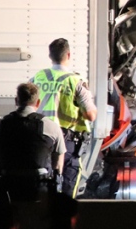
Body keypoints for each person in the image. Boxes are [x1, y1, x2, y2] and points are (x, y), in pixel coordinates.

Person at [32, 38, 97, 197]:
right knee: (67, 184)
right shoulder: (75, 81)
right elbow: (90, 115)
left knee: (42, 184)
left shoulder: (38, 77)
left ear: (50, 56)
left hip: (41, 138)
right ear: (68, 55)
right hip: (66, 140)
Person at [0, 83, 66, 202]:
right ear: (38, 102)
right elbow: (58, 165)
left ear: (16, 101)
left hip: (8, 188)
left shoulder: (0, 126)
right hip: (39, 189)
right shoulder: (51, 127)